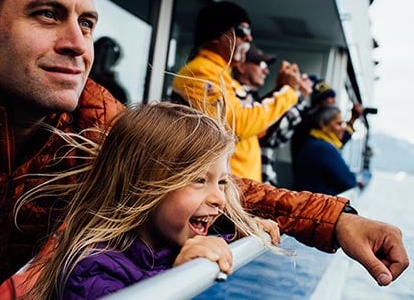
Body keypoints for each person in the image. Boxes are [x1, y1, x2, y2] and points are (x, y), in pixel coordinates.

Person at [0, 0, 407, 296]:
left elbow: (193, 177)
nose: (78, 44)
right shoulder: (201, 77)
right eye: (47, 14)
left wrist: (337, 220)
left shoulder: (91, 115)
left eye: (86, 23)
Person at [22, 102, 281, 299]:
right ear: (142, 186)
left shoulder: (169, 241)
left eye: (222, 182)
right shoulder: (91, 270)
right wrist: (177, 277)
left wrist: (243, 233)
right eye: (199, 180)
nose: (219, 199)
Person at [171, 1, 303, 182]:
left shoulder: (223, 76)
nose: (249, 38)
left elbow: (257, 128)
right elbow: (237, 126)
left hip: (241, 187)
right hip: (226, 189)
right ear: (217, 34)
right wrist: (288, 92)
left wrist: (279, 90)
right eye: (242, 31)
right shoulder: (200, 72)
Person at [231, 44, 313, 185]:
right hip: (241, 185)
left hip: (253, 183)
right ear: (241, 66)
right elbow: (269, 135)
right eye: (261, 63)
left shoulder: (250, 99)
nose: (266, 71)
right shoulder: (234, 96)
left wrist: (283, 90)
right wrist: (295, 94)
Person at [291, 78, 363, 161]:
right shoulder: (305, 119)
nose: (334, 101)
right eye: (330, 97)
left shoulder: (309, 117)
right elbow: (338, 141)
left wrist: (353, 119)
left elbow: (338, 139)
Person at [293, 105, 359, 195]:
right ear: (323, 124)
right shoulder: (324, 148)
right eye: (338, 124)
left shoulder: (312, 142)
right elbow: (349, 182)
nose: (343, 128)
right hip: (317, 206)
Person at [89, 36, 128, 104]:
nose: (100, 60)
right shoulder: (81, 80)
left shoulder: (117, 92)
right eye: (99, 53)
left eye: (105, 56)